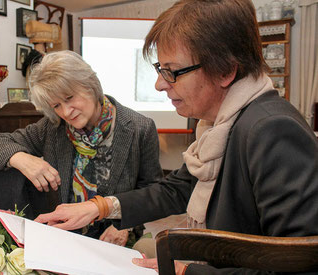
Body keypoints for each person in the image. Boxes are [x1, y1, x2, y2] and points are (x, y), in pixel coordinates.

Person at [34, 0, 318, 274]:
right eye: (160, 70)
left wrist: (186, 272)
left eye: (172, 72)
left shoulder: (272, 130)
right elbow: (177, 190)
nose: (159, 84)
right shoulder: (220, 127)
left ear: (225, 70)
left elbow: (298, 266)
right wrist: (97, 207)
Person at [0, 50, 163, 246]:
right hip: (63, 235)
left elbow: (152, 191)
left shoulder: (139, 128)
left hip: (111, 236)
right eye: (56, 106)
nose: (66, 112)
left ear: (90, 85)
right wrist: (23, 159)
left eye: (69, 98)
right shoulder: (52, 127)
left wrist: (124, 226)